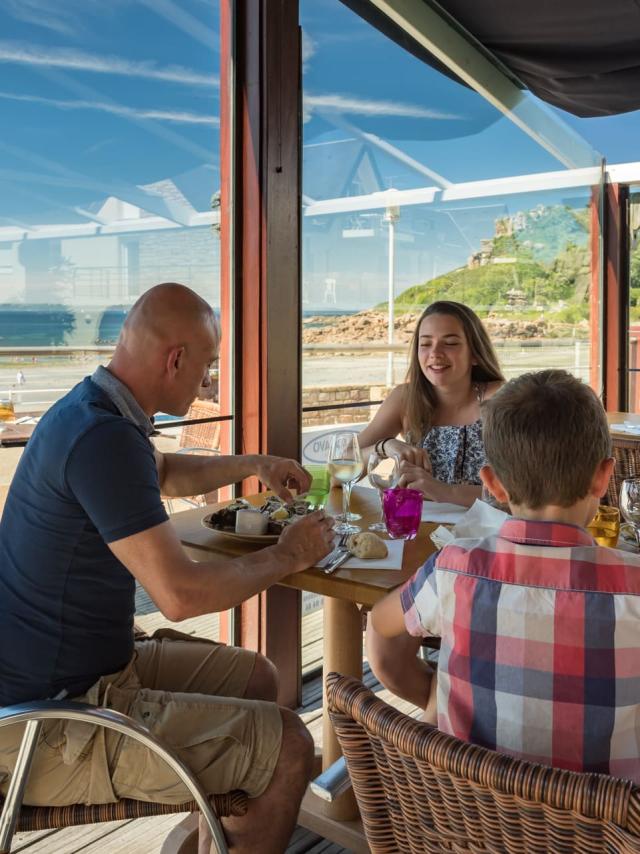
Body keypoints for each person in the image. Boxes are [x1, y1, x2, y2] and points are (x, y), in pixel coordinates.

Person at [0, 283, 336, 854]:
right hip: (47, 724)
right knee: (291, 748)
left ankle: (215, 841)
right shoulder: (101, 437)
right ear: (175, 359)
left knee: (259, 677)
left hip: (90, 672)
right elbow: (179, 594)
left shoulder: (94, 409)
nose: (208, 381)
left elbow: (166, 473)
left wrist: (257, 464)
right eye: (206, 365)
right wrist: (289, 555)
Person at [367, 369, 640, 781]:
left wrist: (435, 697)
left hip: (461, 821)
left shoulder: (453, 566)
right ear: (604, 476)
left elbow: (381, 629)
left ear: (492, 484)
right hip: (609, 831)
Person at [358, 301, 504, 507]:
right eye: (425, 344)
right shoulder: (405, 398)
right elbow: (340, 470)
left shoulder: (501, 398)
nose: (435, 353)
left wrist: (443, 491)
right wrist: (385, 446)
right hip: (422, 531)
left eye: (450, 343)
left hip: (489, 533)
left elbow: (525, 491)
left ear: (475, 354)